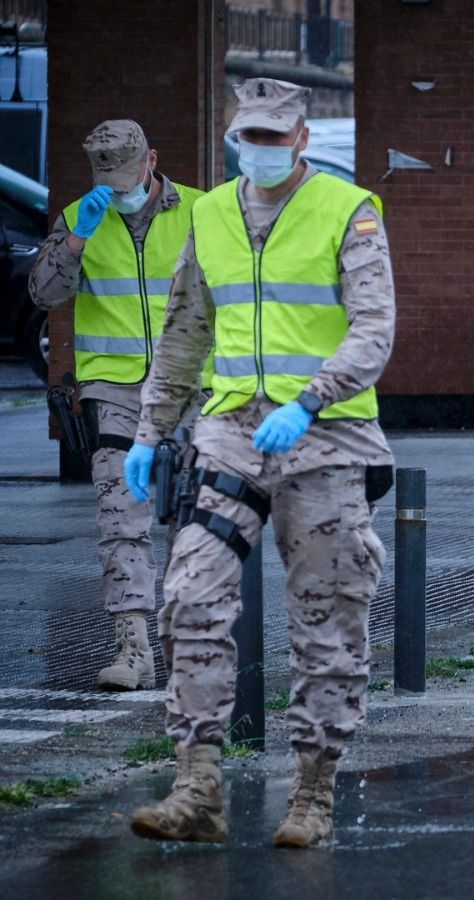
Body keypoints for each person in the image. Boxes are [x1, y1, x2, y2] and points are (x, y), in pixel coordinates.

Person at [121, 78, 396, 849]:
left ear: (303, 139)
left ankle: (313, 792)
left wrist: (310, 400)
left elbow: (374, 328)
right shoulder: (208, 215)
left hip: (329, 435)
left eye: (277, 138)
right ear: (233, 138)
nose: (263, 150)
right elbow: (184, 332)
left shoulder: (351, 210)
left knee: (329, 614)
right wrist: (149, 431)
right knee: (191, 597)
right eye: (252, 137)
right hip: (231, 431)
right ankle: (196, 787)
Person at [28, 121, 204, 691]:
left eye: (128, 175)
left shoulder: (203, 212)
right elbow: (43, 294)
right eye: (107, 177)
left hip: (189, 389)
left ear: (151, 160)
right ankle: (133, 650)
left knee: (190, 519)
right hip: (114, 392)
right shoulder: (82, 216)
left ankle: (186, 645)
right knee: (120, 521)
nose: (119, 186)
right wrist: (76, 239)